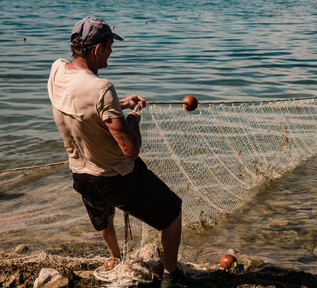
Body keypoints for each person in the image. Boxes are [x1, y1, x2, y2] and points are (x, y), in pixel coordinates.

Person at [48, 16, 203, 288]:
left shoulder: (57, 70)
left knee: (103, 216)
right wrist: (132, 118)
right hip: (115, 176)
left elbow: (83, 107)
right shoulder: (102, 87)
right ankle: (170, 276)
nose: (111, 52)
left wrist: (119, 104)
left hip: (81, 175)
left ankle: (115, 258)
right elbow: (131, 150)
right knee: (173, 212)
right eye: (109, 46)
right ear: (97, 49)